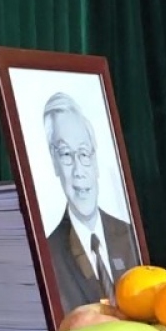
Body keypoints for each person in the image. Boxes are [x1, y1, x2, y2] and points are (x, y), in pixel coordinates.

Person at [42, 93, 138, 313]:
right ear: (55, 163)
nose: (78, 171)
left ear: (95, 160)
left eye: (84, 154)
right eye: (66, 155)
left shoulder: (129, 235)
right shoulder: (48, 253)